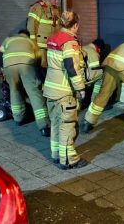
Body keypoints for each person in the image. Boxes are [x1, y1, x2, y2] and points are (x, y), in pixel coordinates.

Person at [43, 11, 87, 169]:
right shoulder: (70, 42)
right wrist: (80, 88)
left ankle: (56, 155)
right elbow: (71, 67)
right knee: (67, 126)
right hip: (64, 92)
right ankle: (69, 160)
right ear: (75, 25)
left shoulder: (53, 38)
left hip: (50, 90)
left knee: (55, 124)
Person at [0, 29, 50, 136]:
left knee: (15, 90)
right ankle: (43, 126)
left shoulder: (8, 40)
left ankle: (18, 119)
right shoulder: (31, 42)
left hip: (9, 66)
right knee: (34, 93)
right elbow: (39, 59)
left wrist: (3, 69)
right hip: (26, 65)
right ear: (27, 35)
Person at [27, 0, 62, 81]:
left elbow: (57, 26)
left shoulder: (55, 9)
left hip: (51, 45)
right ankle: (41, 89)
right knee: (41, 68)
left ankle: (45, 88)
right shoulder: (38, 7)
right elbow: (31, 25)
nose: (57, 2)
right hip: (40, 46)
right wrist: (33, 44)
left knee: (48, 68)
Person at [81, 39, 105, 104]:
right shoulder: (94, 52)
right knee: (101, 77)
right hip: (82, 78)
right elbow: (94, 71)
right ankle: (94, 101)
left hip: (75, 75)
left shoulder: (84, 47)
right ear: (99, 48)